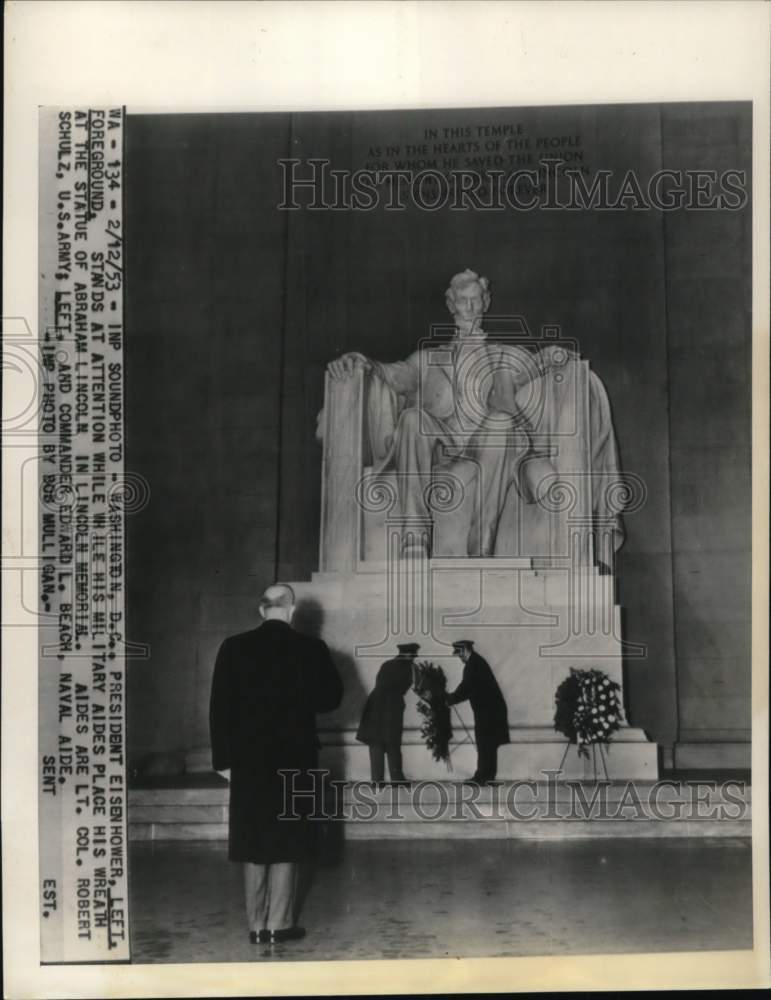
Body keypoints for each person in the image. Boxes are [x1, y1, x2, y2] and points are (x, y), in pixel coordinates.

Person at [327, 269, 556, 556]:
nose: (470, 308)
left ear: (486, 302)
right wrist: (367, 363)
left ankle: (482, 542)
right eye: (463, 301)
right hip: (441, 441)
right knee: (412, 419)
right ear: (451, 305)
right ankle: (415, 537)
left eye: (475, 300)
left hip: (486, 442)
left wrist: (554, 358)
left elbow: (533, 367)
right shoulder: (426, 359)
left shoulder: (503, 355)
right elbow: (396, 375)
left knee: (501, 422)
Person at [209, 582, 343, 945]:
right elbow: (331, 699)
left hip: (248, 759)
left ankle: (255, 925)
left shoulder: (233, 647)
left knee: (254, 840)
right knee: (290, 839)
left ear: (260, 609)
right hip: (294, 757)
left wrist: (223, 762)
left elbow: (219, 708)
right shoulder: (311, 648)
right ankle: (280, 924)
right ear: (292, 609)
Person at [446, 639, 509, 784]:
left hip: (488, 711)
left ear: (465, 650)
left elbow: (465, 688)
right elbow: (468, 689)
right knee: (488, 743)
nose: (459, 658)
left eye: (459, 654)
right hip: (490, 710)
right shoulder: (476, 661)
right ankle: (487, 776)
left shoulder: (472, 664)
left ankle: (481, 777)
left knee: (484, 742)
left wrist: (450, 699)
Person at [355, 642, 419, 785]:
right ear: (407, 654)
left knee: (376, 743)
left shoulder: (387, 664)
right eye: (413, 655)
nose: (415, 657)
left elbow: (380, 683)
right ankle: (397, 779)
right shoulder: (408, 667)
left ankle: (377, 780)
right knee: (393, 743)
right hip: (392, 706)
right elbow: (413, 686)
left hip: (375, 706)